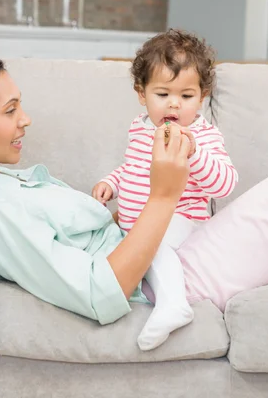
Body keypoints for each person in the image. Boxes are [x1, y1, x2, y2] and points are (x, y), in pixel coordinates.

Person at [0, 49, 191, 331]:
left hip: (163, 256)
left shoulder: (6, 180)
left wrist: (129, 211)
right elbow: (100, 293)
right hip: (161, 280)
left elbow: (97, 239)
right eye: (10, 110)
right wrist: (163, 197)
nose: (25, 119)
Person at [93, 30, 238, 350]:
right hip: (134, 229)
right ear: (141, 93)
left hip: (182, 223)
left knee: (154, 241)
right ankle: (152, 290)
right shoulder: (140, 127)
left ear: (202, 97)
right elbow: (133, 167)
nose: (174, 103)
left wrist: (195, 154)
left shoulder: (203, 134)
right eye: (163, 94)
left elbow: (225, 183)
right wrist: (111, 182)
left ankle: (173, 305)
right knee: (122, 252)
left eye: (186, 96)